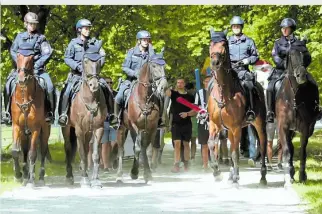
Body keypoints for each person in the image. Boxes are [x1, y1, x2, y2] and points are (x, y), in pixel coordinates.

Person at [1, 12, 55, 125]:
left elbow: (47, 53)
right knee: (7, 85)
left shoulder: (41, 38)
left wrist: (36, 65)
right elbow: (13, 51)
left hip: (37, 70)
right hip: (21, 70)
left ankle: (50, 113)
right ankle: (6, 113)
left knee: (50, 86)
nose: (33, 26)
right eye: (31, 24)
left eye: (35, 24)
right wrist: (21, 65)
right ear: (26, 24)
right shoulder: (19, 37)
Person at [266, 18, 321, 123]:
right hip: (281, 71)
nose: (284, 30)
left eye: (286, 28)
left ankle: (316, 108)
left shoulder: (300, 43)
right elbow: (275, 57)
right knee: (270, 87)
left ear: (292, 29)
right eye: (283, 28)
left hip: (298, 71)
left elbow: (308, 57)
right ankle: (270, 112)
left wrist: (301, 66)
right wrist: (285, 65)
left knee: (313, 83)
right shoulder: (277, 43)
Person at [58, 19, 110, 126]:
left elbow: (102, 56)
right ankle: (63, 114)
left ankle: (112, 114)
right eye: (86, 29)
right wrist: (77, 66)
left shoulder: (95, 43)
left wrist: (98, 66)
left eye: (89, 29)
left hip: (93, 75)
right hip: (77, 75)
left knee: (106, 88)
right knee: (67, 91)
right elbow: (67, 58)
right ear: (79, 30)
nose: (88, 31)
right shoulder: (73, 43)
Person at [111, 30, 162, 127]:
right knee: (119, 96)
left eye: (147, 40)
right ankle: (116, 118)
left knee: (159, 96)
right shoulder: (131, 52)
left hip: (147, 82)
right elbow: (124, 67)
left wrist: (151, 51)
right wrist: (135, 73)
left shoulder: (151, 53)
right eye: (144, 40)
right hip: (132, 80)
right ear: (139, 41)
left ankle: (160, 119)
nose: (146, 42)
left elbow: (155, 66)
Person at [166, 78, 196, 173]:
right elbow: (165, 91)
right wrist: (164, 80)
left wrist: (187, 114)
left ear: (184, 84)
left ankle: (186, 164)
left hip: (187, 123)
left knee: (186, 144)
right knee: (177, 144)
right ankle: (176, 164)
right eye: (178, 82)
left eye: (181, 82)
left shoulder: (190, 96)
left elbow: (195, 110)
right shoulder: (173, 94)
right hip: (175, 123)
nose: (179, 84)